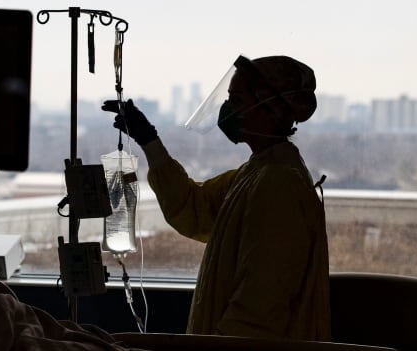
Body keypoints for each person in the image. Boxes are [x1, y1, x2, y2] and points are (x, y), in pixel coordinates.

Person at [101, 55, 331, 341]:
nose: (228, 107)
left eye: (237, 98)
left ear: (268, 107)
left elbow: (259, 308)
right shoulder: (257, 173)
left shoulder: (279, 185)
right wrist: (149, 141)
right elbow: (193, 208)